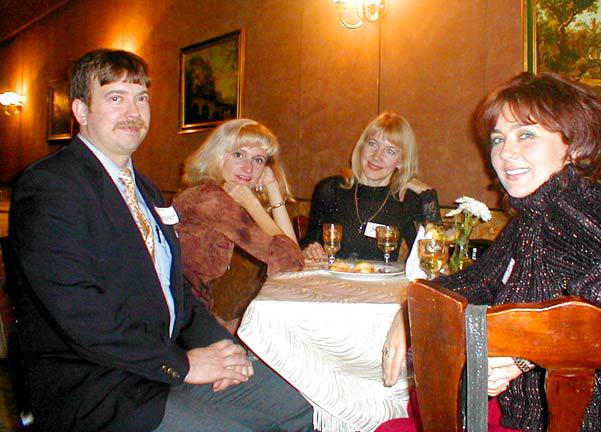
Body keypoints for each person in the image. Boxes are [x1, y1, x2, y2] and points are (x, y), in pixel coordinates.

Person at [9, 49, 313, 432]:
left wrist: (225, 350)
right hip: (99, 385)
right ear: (81, 111)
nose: (133, 111)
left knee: (300, 405)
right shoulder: (50, 186)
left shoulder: (146, 190)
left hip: (162, 365)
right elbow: (79, 312)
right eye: (116, 98)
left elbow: (177, 294)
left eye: (141, 98)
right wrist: (182, 365)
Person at [381, 72, 601, 432]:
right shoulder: (532, 217)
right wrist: (413, 309)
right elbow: (477, 280)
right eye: (498, 139)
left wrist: (528, 351)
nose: (505, 153)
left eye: (526, 135)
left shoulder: (576, 205)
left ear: (576, 147)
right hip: (527, 415)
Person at [173, 119, 304, 333]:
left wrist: (272, 186)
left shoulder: (208, 193)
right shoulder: (212, 200)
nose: (248, 168)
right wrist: (251, 203)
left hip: (188, 312)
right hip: (177, 321)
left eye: (258, 160)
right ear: (217, 155)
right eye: (238, 155)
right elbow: (291, 260)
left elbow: (291, 254)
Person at [301, 112, 441, 262]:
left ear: (402, 161)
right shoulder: (330, 189)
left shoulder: (406, 199)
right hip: (331, 276)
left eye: (390, 151)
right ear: (362, 146)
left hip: (382, 278)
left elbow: (433, 256)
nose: (376, 156)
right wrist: (309, 249)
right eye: (372, 144)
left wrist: (427, 195)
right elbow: (309, 242)